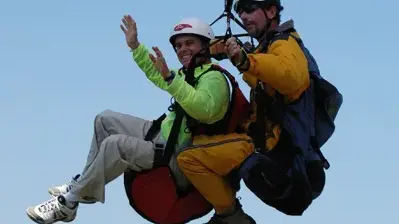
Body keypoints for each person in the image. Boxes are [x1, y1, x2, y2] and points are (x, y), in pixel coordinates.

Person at [25, 14, 231, 224]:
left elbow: (204, 109)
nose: (182, 49)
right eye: (178, 45)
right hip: (164, 137)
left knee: (115, 145)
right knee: (105, 119)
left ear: (206, 45)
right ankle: (83, 184)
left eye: (189, 43)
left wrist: (171, 78)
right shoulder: (192, 74)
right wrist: (135, 47)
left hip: (178, 156)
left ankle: (68, 203)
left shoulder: (214, 78)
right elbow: (159, 75)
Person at [176, 0, 331, 223]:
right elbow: (263, 77)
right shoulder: (265, 51)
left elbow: (290, 76)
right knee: (202, 144)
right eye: (240, 11)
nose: (244, 16)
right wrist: (201, 50)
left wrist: (245, 60)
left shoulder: (285, 43)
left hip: (290, 171)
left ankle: (230, 216)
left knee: (189, 156)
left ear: (271, 11)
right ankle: (226, 209)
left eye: (250, 9)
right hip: (284, 168)